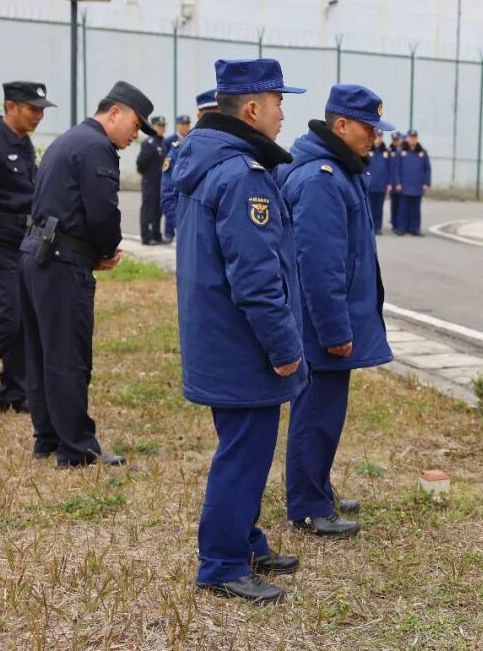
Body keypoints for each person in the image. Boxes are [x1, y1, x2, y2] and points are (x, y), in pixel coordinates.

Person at [172, 58, 307, 604]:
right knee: (244, 454)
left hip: (219, 337)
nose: (282, 115)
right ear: (252, 108)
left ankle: (245, 541)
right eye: (278, 103)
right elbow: (256, 279)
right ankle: (222, 563)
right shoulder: (243, 175)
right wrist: (284, 347)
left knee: (243, 447)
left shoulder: (212, 163)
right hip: (242, 343)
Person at [279, 84, 394, 538]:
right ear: (341, 125)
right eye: (369, 129)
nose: (375, 138)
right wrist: (334, 330)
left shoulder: (338, 172)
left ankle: (318, 490)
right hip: (319, 324)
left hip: (325, 320)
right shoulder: (322, 180)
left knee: (325, 413)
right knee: (316, 415)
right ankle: (309, 505)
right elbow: (320, 266)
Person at [19, 81, 154, 466]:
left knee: (41, 353)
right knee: (68, 356)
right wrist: (106, 250)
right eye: (135, 125)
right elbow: (102, 213)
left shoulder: (69, 139)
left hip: (37, 255)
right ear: (115, 113)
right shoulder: (97, 147)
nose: (135, 135)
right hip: (61, 263)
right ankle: (76, 448)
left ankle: (48, 439)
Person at [0, 81, 54, 413]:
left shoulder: (23, 143)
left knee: (24, 318)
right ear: (11, 107)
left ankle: (13, 393)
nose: (39, 116)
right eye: (32, 109)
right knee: (6, 318)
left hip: (21, 243)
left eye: (41, 110)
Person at [161, 91, 219, 240]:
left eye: (220, 114)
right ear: (199, 116)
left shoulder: (237, 148)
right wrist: (185, 227)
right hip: (192, 236)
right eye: (210, 114)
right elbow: (167, 195)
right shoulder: (180, 149)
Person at [159, 114, 191, 241]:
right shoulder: (170, 141)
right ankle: (169, 233)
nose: (185, 127)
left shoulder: (191, 139)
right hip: (171, 176)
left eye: (187, 124)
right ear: (178, 125)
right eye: (182, 124)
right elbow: (166, 158)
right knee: (171, 201)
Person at [135, 115, 166, 245]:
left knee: (158, 209)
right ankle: (146, 237)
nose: (162, 128)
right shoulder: (149, 143)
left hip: (160, 182)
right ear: (152, 126)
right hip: (150, 182)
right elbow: (141, 163)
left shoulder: (161, 143)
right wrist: (147, 176)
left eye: (163, 126)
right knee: (148, 208)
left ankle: (156, 235)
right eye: (159, 126)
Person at [393, 129, 431, 236]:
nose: (413, 139)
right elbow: (396, 169)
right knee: (403, 208)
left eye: (415, 137)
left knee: (416, 209)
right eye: (411, 137)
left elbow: (427, 169)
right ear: (407, 138)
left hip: (417, 185)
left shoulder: (422, 153)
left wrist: (426, 183)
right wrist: (398, 182)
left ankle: (415, 228)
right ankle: (401, 228)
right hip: (404, 185)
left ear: (417, 139)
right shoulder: (400, 152)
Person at [365, 129, 389, 234]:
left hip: (381, 185)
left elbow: (390, 168)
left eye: (380, 136)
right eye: (377, 136)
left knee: (379, 208)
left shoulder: (386, 152)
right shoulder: (367, 150)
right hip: (370, 184)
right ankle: (369, 228)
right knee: (369, 207)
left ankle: (378, 227)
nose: (378, 139)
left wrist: (389, 183)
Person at [387, 130, 402, 231]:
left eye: (397, 140)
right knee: (394, 203)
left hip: (401, 182)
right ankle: (393, 221)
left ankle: (399, 223)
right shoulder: (388, 151)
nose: (396, 142)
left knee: (401, 204)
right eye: (394, 140)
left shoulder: (403, 151)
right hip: (391, 182)